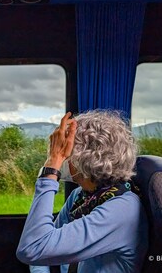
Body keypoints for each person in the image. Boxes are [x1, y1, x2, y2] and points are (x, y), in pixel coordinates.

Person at [16, 110, 148, 273]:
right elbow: (40, 252)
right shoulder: (81, 196)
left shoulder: (122, 210)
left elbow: (33, 247)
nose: (60, 158)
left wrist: (50, 170)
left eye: (64, 153)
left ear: (84, 158)